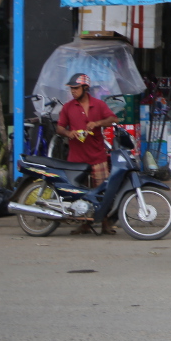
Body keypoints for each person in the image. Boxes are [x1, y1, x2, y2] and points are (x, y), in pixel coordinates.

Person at [55, 73, 118, 235]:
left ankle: (105, 223)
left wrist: (98, 123)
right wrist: (69, 133)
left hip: (97, 157)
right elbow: (59, 127)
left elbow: (113, 119)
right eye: (71, 89)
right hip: (76, 160)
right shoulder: (68, 107)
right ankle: (84, 225)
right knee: (80, 194)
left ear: (85, 88)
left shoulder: (98, 105)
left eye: (76, 88)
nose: (73, 91)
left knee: (102, 192)